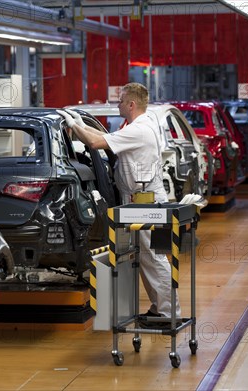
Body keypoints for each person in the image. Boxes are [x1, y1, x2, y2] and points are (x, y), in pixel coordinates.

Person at [57, 82, 181, 324]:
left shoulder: (140, 130)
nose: (118, 104)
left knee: (154, 258)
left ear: (131, 104)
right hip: (140, 200)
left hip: (146, 202)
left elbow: (95, 143)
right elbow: (105, 137)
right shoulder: (138, 125)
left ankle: (168, 313)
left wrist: (73, 124)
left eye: (121, 101)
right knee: (147, 258)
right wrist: (80, 124)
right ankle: (159, 309)